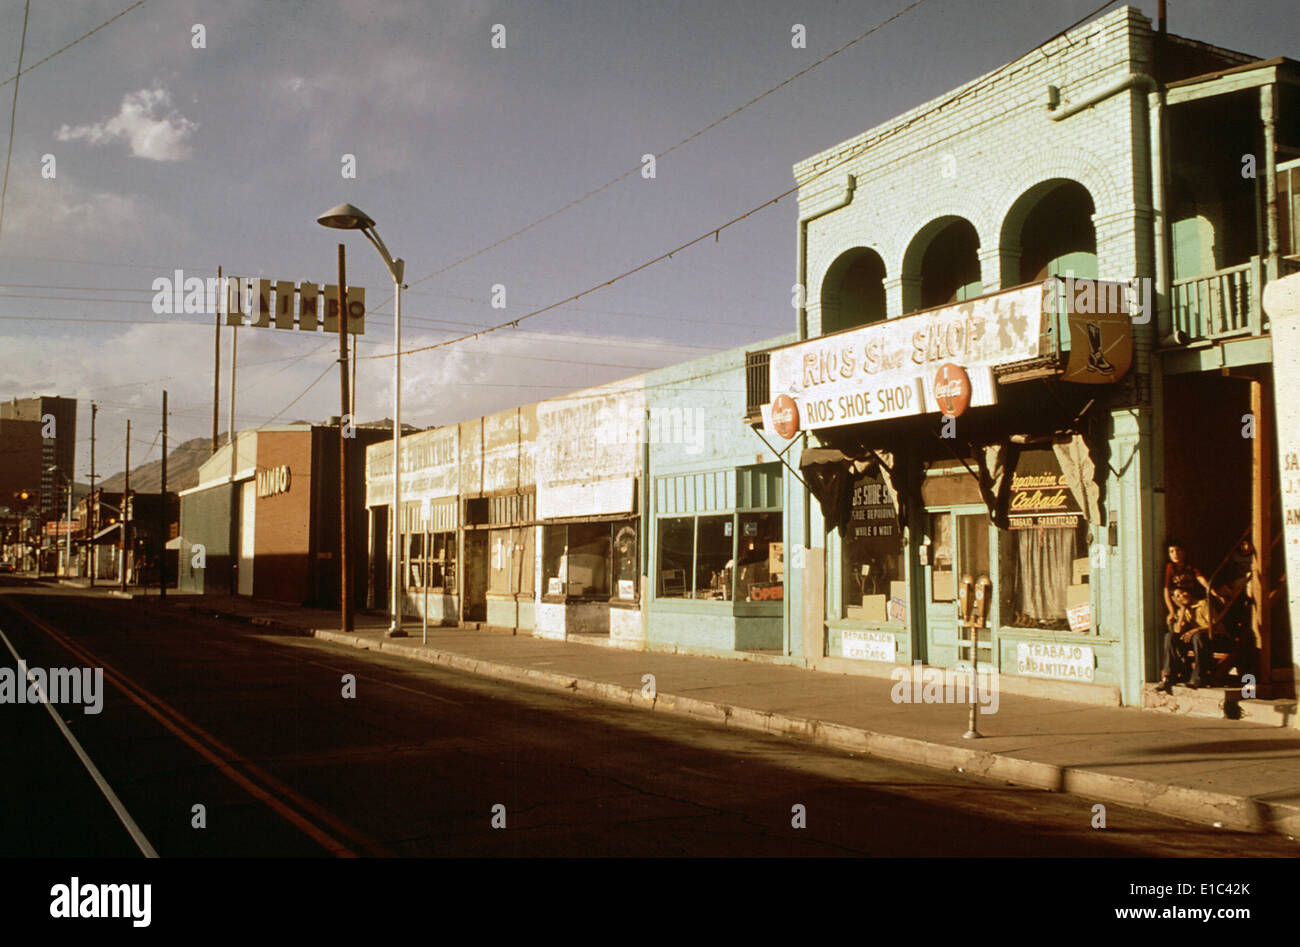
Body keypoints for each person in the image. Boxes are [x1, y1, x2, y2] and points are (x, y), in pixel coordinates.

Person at [1156, 586, 1212, 692]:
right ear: (1176, 601)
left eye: (1182, 592)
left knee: (1197, 636)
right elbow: (1177, 630)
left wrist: (1194, 630)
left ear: (1189, 592)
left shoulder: (1202, 604)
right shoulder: (1183, 611)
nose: (1182, 596)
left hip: (1212, 638)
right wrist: (1182, 610)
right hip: (1195, 641)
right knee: (1170, 636)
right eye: (1178, 596)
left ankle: (1198, 678)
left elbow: (1213, 625)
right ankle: (1169, 676)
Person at [1163, 538, 1209, 620]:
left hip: (1191, 598)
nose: (1175, 554)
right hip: (1180, 603)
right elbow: (1166, 590)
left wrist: (1213, 592)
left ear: (1183, 552)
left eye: (1178, 550)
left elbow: (1201, 579)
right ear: (1168, 554)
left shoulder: (1189, 566)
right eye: (1171, 551)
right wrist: (1171, 611)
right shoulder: (1170, 567)